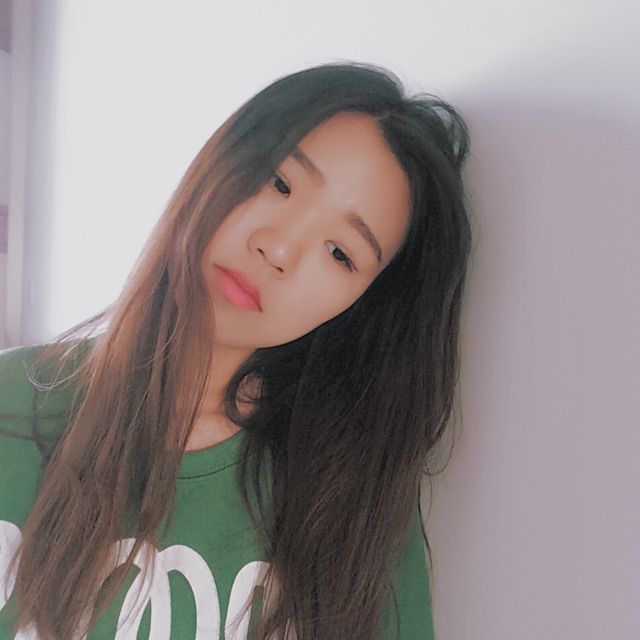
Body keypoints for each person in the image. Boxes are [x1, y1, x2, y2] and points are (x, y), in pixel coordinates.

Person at [0, 61, 472, 639]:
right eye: (280, 183)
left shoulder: (353, 501)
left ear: (361, 307)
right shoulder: (10, 402)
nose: (279, 249)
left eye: (341, 253)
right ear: (222, 159)